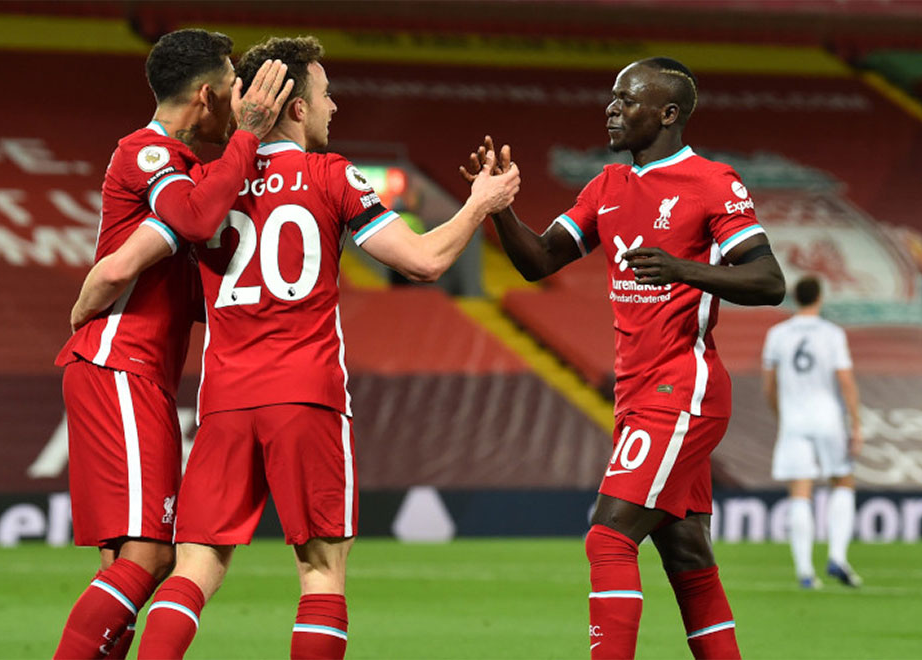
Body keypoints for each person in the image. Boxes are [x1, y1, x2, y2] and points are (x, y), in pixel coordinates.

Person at [132, 35, 519, 660]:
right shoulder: (332, 175)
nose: (333, 106)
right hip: (306, 395)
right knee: (320, 571)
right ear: (296, 107)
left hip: (225, 400)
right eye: (325, 94)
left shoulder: (206, 184)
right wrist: (480, 203)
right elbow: (423, 261)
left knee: (194, 569)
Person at [461, 57, 785, 659]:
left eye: (626, 99)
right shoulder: (607, 186)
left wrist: (683, 268)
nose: (610, 108)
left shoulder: (711, 182)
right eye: (612, 97)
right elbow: (539, 261)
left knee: (608, 536)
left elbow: (769, 281)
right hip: (637, 394)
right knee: (687, 555)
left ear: (667, 114)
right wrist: (496, 206)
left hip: (681, 389)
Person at [52, 28, 292, 659]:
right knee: (151, 555)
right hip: (119, 363)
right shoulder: (148, 152)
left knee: (127, 562)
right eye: (235, 87)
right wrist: (250, 136)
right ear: (208, 95)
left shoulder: (189, 171)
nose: (243, 99)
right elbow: (193, 218)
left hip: (139, 370)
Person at [762, 274, 863, 589]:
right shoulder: (831, 334)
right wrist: (856, 423)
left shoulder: (777, 334)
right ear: (819, 297)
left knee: (800, 491)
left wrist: (782, 415)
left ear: (795, 298)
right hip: (827, 418)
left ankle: (805, 572)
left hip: (794, 420)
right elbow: (845, 381)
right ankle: (837, 556)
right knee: (842, 480)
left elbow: (769, 385)